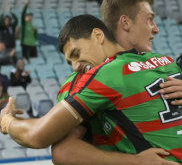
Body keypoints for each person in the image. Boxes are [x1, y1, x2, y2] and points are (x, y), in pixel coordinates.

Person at [0, 15, 181, 165]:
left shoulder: (98, 77)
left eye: (76, 54)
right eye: (70, 62)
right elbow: (52, 128)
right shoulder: (163, 61)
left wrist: (7, 121)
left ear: (98, 35)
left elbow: (52, 144)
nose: (75, 66)